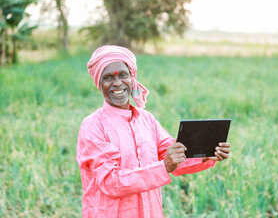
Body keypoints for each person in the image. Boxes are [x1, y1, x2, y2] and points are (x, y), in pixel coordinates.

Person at [76, 45, 231, 218]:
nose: (117, 83)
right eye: (108, 78)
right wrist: (164, 166)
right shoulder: (93, 126)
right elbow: (110, 182)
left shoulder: (146, 119)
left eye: (123, 75)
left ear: (132, 77)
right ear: (99, 83)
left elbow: (172, 155)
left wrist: (204, 153)